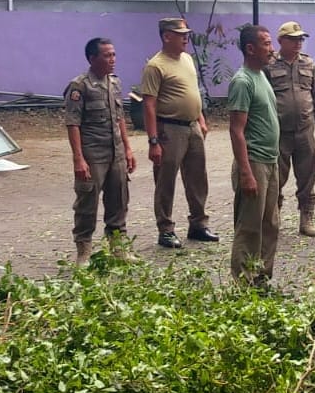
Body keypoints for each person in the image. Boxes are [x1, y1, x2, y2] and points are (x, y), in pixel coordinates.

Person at [140, 17, 218, 248]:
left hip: (192, 126)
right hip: (169, 129)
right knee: (166, 180)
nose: (186, 38)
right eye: (181, 34)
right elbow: (149, 105)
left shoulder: (186, 59)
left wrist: (201, 119)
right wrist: (153, 141)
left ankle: (198, 224)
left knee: (197, 177)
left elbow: (193, 92)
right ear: (167, 36)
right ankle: (165, 229)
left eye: (186, 33)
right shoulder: (156, 66)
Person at [64, 38, 136, 264]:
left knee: (119, 200)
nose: (112, 59)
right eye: (107, 55)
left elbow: (120, 117)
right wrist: (78, 159)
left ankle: (118, 249)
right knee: (87, 202)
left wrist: (128, 148)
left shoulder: (114, 83)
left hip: (116, 152)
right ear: (92, 58)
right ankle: (83, 251)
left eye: (113, 54)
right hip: (93, 153)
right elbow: (72, 123)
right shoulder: (80, 86)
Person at [226, 25, 282, 284]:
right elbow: (237, 131)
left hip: (271, 162)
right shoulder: (243, 81)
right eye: (267, 44)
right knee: (250, 226)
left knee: (270, 223)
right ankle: (243, 281)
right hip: (255, 163)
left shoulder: (262, 76)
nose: (272, 49)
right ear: (251, 48)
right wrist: (246, 172)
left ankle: (261, 277)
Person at [264, 21, 315, 237]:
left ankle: (306, 218)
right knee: (276, 177)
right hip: (278, 132)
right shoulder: (269, 65)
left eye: (301, 39)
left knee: (308, 174)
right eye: (294, 39)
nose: (299, 43)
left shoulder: (308, 64)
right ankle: (274, 218)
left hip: (304, 129)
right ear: (281, 41)